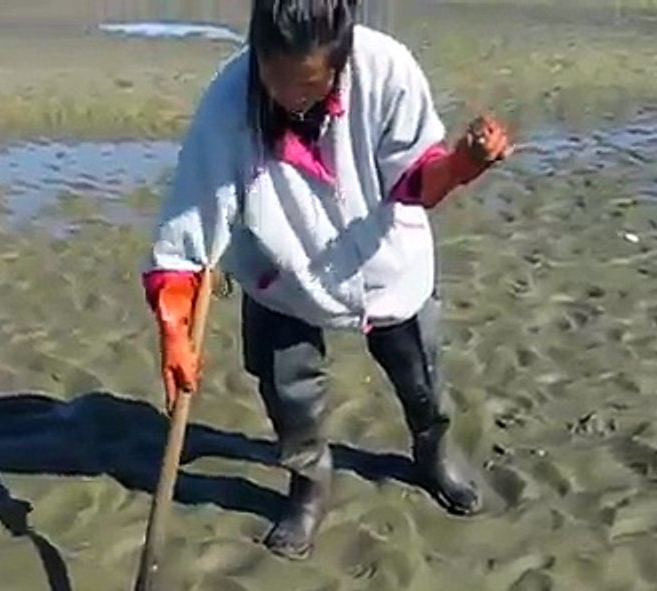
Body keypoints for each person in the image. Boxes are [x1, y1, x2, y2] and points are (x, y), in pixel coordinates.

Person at [141, 0, 513, 561]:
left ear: (342, 61)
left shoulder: (387, 70)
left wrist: (464, 164)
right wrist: (174, 323)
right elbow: (190, 220)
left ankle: (432, 452)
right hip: (280, 271)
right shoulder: (228, 100)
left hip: (384, 262)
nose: (290, 99)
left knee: (420, 377)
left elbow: (418, 182)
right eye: (275, 80)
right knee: (288, 394)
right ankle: (309, 483)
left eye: (309, 88)